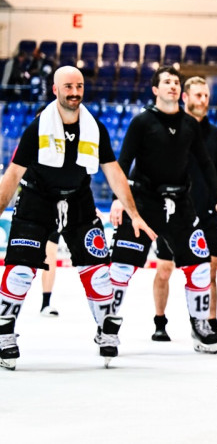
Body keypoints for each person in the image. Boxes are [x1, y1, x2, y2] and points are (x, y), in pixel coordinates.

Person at [0, 66, 155, 370]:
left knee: (98, 271)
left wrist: (133, 213)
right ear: (55, 90)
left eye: (79, 86)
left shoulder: (95, 127)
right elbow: (13, 174)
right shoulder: (36, 128)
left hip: (78, 199)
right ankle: (4, 334)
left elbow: (114, 171)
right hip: (36, 199)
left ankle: (106, 331)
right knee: (19, 271)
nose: (74, 92)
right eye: (68, 86)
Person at [108, 66, 217, 355]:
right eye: (166, 82)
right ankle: (108, 325)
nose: (173, 86)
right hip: (142, 203)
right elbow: (123, 162)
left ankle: (200, 326)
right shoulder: (142, 122)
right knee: (121, 268)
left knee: (200, 268)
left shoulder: (190, 125)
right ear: (155, 89)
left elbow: (205, 164)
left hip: (180, 206)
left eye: (176, 82)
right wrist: (119, 200)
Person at [150, 76, 217, 344]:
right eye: (198, 95)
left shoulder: (215, 136)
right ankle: (160, 322)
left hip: (207, 212)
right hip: (172, 213)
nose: (203, 100)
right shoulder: (170, 130)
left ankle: (210, 325)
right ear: (185, 97)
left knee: (210, 272)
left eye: (206, 96)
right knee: (165, 269)